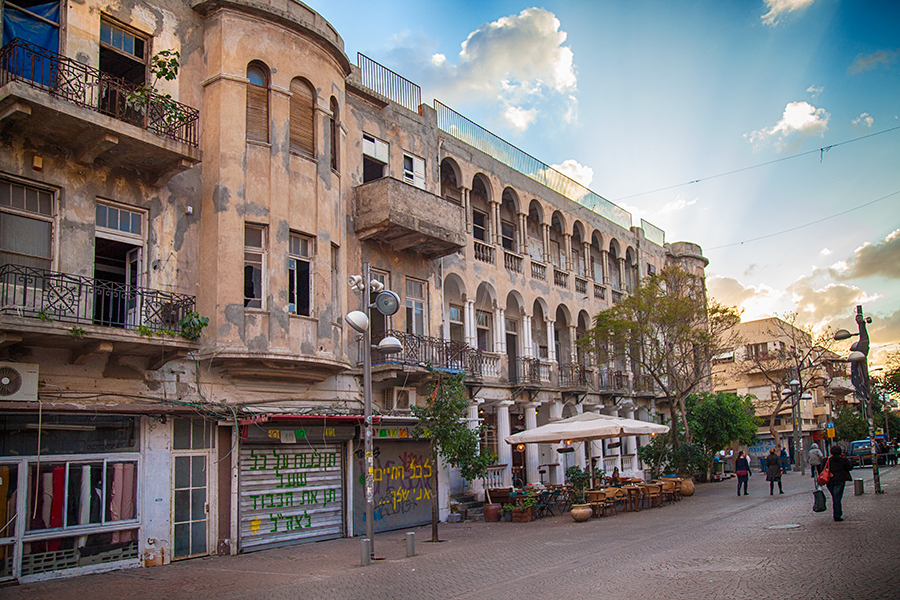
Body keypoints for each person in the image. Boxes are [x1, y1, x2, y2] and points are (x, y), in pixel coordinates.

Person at [825, 445, 853, 522]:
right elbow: (850, 467)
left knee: (835, 497)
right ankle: (837, 514)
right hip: (839, 480)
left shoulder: (827, 460)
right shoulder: (843, 460)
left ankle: (838, 513)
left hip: (830, 481)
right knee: (837, 498)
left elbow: (822, 469)